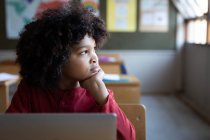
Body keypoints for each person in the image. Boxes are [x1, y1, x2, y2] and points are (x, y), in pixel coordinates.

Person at [6, 1, 136, 140]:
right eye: (84, 52)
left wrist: (103, 97)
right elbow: (8, 132)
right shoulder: (30, 90)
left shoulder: (98, 93)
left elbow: (128, 137)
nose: (94, 58)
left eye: (94, 49)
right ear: (57, 57)